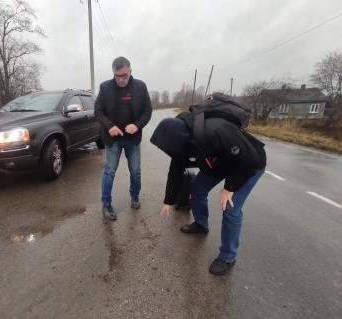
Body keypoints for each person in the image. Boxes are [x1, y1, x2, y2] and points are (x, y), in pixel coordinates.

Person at [150, 111, 266, 275]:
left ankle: (228, 257)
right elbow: (175, 170)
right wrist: (168, 200)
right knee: (197, 189)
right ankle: (201, 224)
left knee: (230, 209)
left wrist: (229, 188)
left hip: (248, 165)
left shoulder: (216, 130)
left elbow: (249, 161)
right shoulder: (181, 141)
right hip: (219, 164)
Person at [95, 56, 152, 220]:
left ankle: (134, 196)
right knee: (109, 171)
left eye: (124, 75)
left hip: (132, 139)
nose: (120, 80)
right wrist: (109, 126)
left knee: (135, 171)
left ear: (130, 71)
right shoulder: (105, 87)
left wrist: (137, 125)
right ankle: (106, 204)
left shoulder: (140, 87)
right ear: (113, 73)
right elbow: (98, 111)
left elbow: (147, 111)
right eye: (117, 76)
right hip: (113, 139)